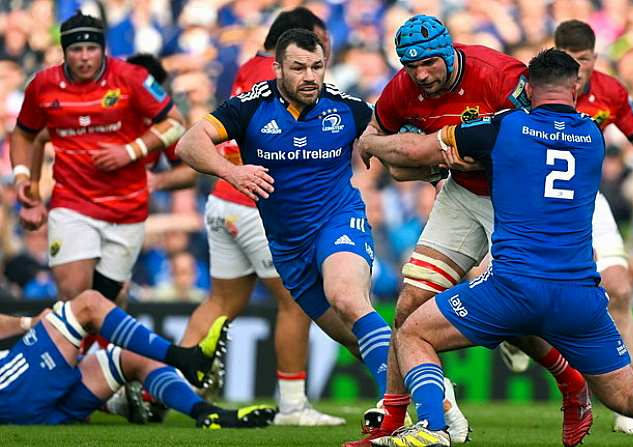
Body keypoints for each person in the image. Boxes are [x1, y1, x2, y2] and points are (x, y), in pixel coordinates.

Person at [369, 48, 633, 447]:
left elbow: (416, 152)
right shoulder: (591, 138)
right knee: (627, 393)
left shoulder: (501, 128)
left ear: (528, 88)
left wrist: (372, 144)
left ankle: (431, 427)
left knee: (413, 333)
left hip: (512, 286)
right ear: (574, 88)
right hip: (580, 296)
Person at [350, 15, 586, 446]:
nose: (421, 75)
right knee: (408, 307)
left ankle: (571, 380)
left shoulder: (499, 75)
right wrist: (423, 158)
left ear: (450, 50)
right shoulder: (403, 87)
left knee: (513, 311)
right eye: (411, 66)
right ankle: (396, 416)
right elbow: (372, 138)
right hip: (460, 196)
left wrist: (434, 150)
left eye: (430, 64)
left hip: (514, 201)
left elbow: (540, 139)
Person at [176, 29, 392, 411]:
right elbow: (188, 143)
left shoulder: (348, 108)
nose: (309, 76)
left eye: (317, 67)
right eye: (298, 67)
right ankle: (436, 393)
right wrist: (232, 173)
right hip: (289, 247)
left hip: (339, 222)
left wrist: (423, 167)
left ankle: (421, 411)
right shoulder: (249, 107)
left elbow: (392, 139)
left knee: (346, 297)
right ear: (277, 68)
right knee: (354, 338)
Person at [499, 20, 633, 435]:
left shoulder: (610, 92)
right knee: (512, 284)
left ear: (596, 57)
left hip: (586, 200)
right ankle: (511, 331)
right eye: (571, 60)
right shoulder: (533, 88)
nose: (578, 69)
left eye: (585, 61)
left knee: (622, 289)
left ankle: (629, 407)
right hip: (531, 201)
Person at [9, 11, 186, 302]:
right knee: (72, 291)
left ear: (103, 49)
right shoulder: (43, 85)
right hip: (71, 204)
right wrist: (25, 182)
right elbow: (26, 134)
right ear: (64, 52)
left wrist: (130, 151)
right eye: (76, 49)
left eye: (91, 48)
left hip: (126, 208)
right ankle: (84, 348)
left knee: (108, 299)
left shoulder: (131, 77)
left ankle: (102, 349)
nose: (84, 57)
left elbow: (176, 122)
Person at [0, 290, 275, 428]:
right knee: (89, 304)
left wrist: (28, 323)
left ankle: (208, 414)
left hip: (26, 398)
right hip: (8, 392)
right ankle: (187, 359)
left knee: (132, 356)